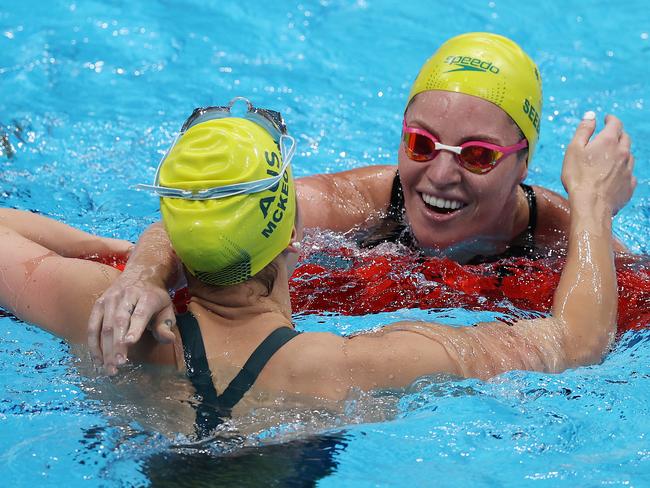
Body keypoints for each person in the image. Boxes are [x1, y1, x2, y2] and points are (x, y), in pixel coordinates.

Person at [0, 98, 635, 438]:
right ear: (293, 240)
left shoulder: (94, 311)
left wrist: (137, 269)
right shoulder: (348, 367)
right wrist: (592, 204)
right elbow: (576, 340)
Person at [91, 33, 633, 368]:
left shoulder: (569, 237)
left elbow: (591, 338)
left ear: (523, 164)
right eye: (420, 144)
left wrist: (592, 206)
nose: (440, 175)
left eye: (477, 155)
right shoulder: (358, 202)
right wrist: (143, 274)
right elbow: (222, 209)